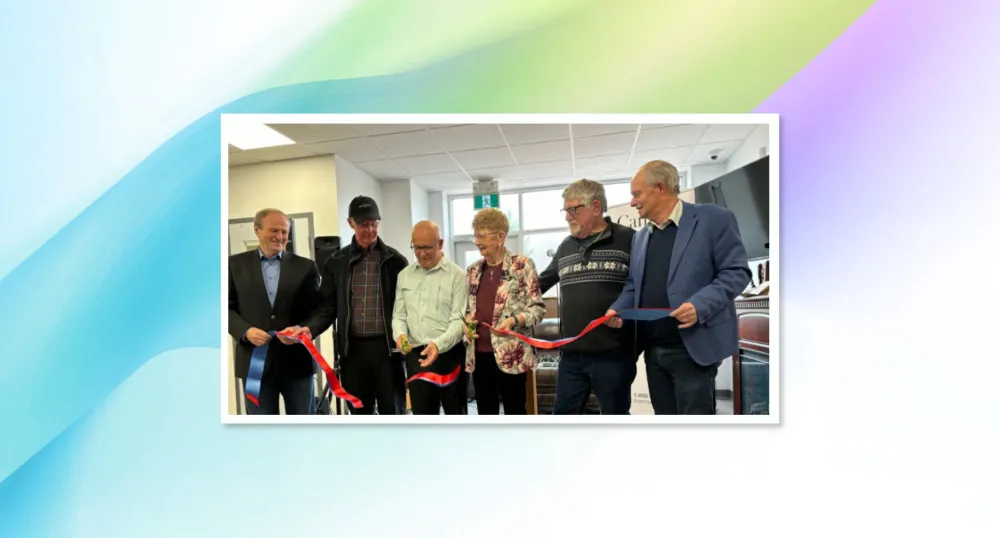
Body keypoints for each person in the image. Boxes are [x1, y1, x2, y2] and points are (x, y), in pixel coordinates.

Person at [607, 160, 751, 415]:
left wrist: (699, 305)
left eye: (636, 194)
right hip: (653, 351)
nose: (632, 202)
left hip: (693, 349)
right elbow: (633, 285)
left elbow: (737, 272)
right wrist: (617, 309)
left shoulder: (714, 219)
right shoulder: (640, 237)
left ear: (660, 187)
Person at [290, 196, 409, 415]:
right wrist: (310, 328)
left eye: (374, 224)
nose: (370, 230)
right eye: (364, 224)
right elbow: (328, 306)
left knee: (393, 411)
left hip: (387, 352)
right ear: (350, 223)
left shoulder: (396, 261)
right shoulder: (336, 262)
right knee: (358, 411)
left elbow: (406, 308)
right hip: (352, 352)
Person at [537, 179, 637, 415]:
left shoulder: (629, 240)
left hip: (613, 355)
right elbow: (540, 283)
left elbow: (642, 286)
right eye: (566, 210)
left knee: (615, 420)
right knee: (563, 420)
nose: (567, 217)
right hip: (571, 355)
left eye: (573, 209)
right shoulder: (565, 247)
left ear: (595, 206)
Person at [228, 208, 322, 415]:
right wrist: (245, 331)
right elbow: (225, 308)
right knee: (262, 434)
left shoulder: (306, 267)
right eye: (273, 230)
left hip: (297, 364)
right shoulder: (233, 266)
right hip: (254, 365)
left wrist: (302, 328)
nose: (280, 237)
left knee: (303, 430)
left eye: (284, 232)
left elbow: (319, 310)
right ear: (257, 230)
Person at [464, 208, 546, 415]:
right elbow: (468, 309)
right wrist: (467, 322)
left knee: (515, 411)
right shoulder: (473, 271)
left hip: (512, 355)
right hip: (479, 354)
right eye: (475, 235)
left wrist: (513, 320)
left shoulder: (523, 266)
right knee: (486, 412)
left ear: (500, 236)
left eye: (482, 236)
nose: (477, 241)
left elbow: (537, 309)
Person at [392, 220, 469, 415]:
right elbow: (399, 315)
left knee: (455, 417)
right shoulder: (404, 276)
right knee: (423, 418)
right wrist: (400, 335)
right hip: (416, 357)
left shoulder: (457, 276)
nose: (421, 253)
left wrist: (437, 345)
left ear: (440, 244)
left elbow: (458, 321)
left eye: (427, 247)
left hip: (449, 355)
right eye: (416, 247)